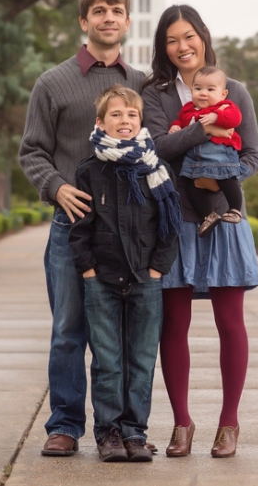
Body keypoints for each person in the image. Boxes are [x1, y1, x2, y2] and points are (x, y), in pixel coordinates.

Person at [18, 0, 146, 457]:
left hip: (129, 234)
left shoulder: (141, 86)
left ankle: (121, 430)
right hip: (72, 227)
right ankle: (65, 425)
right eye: (99, 11)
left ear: (127, 22)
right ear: (84, 21)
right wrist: (57, 187)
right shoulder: (52, 84)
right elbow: (32, 152)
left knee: (123, 338)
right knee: (69, 331)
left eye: (116, 10)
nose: (108, 17)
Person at [141, 5, 258, 458]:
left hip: (225, 221)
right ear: (163, 48)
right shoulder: (154, 94)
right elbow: (156, 149)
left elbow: (251, 156)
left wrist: (217, 181)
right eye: (171, 40)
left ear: (202, 36)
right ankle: (181, 423)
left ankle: (229, 423)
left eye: (188, 36)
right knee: (173, 325)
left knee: (230, 323)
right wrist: (202, 128)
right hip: (174, 221)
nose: (182, 47)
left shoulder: (236, 91)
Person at [69, 85, 181, 462]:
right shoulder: (88, 171)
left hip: (144, 280)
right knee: (107, 360)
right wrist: (87, 271)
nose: (125, 121)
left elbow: (170, 226)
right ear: (100, 122)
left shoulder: (156, 170)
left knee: (141, 359)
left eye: (132, 115)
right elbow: (79, 228)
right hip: (101, 279)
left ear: (140, 121)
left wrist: (155, 270)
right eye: (116, 115)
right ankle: (109, 433)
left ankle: (135, 433)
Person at [168, 65, 250, 237]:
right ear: (192, 90)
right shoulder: (188, 109)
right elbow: (181, 121)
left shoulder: (225, 106)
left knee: (228, 179)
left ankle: (235, 209)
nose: (203, 93)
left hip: (220, 156)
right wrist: (175, 126)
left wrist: (216, 117)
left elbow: (235, 118)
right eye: (198, 89)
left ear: (223, 94)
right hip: (195, 162)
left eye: (210, 89)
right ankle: (209, 216)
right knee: (191, 187)